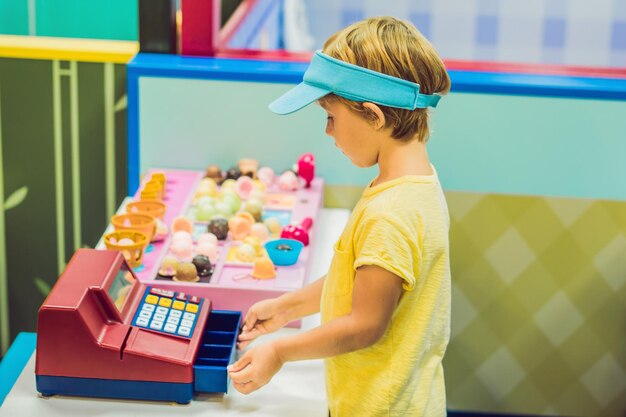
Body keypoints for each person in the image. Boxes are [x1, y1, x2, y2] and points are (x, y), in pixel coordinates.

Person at [228, 16, 452, 417]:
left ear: (374, 116)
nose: (328, 133)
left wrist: (279, 351)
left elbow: (365, 324)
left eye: (331, 116)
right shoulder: (416, 182)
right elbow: (361, 281)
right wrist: (288, 308)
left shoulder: (391, 214)